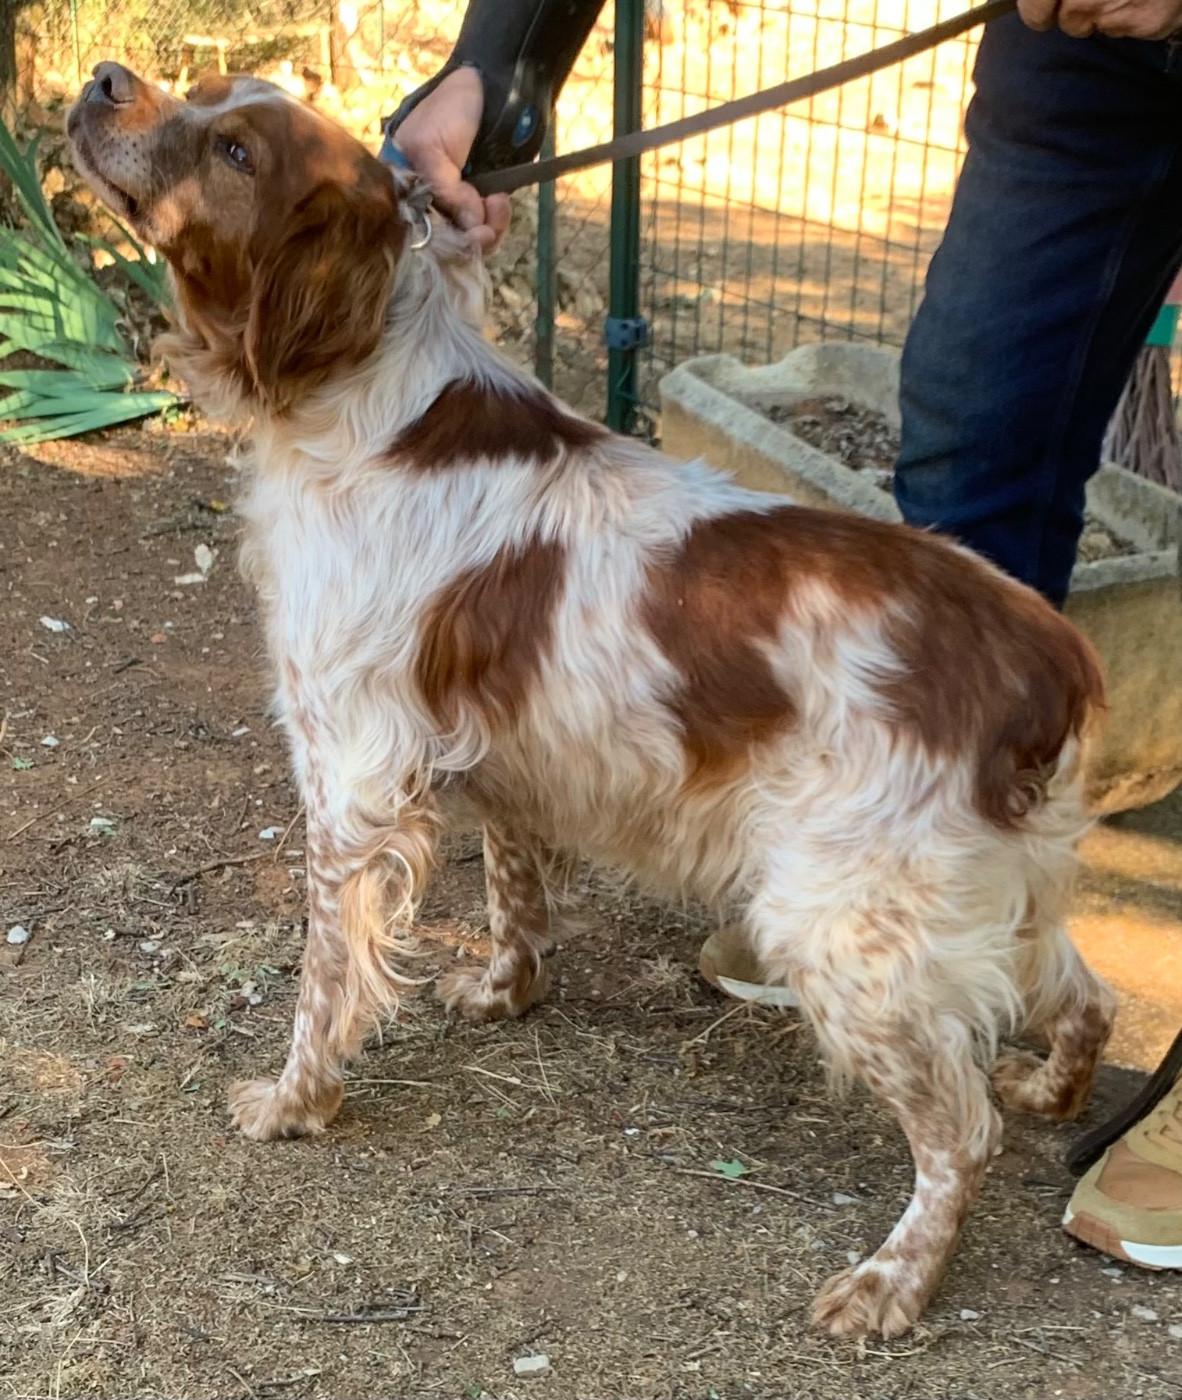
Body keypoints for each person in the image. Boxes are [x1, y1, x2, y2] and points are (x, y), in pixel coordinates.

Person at [383, 0, 1182, 1269]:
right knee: (973, 432)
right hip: (1075, 57)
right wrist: (498, 63)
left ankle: (908, 982)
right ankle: (937, 901)